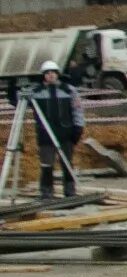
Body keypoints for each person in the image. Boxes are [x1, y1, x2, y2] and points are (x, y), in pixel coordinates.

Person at [26, 61, 82, 199]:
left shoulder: (69, 90)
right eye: (47, 73)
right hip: (45, 135)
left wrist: (78, 127)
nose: (50, 75)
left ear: (57, 74)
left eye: (53, 72)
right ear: (43, 75)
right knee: (46, 165)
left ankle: (70, 191)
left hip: (65, 134)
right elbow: (18, 102)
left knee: (67, 164)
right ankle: (46, 192)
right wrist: (11, 89)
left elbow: (77, 110)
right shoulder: (36, 92)